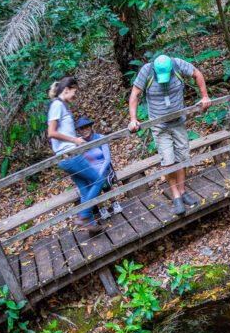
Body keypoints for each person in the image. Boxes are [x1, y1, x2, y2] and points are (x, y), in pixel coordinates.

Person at [128, 54, 212, 215]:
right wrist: (133, 119)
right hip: (159, 125)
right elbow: (135, 95)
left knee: (181, 157)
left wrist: (204, 96)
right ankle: (176, 196)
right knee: (168, 161)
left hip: (178, 121)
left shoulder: (178, 65)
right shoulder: (146, 71)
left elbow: (197, 73)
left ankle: (182, 191)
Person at [46, 77, 105, 235]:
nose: (75, 95)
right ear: (66, 90)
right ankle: (84, 216)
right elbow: (51, 133)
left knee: (85, 188)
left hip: (67, 156)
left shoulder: (62, 106)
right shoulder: (57, 105)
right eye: (74, 91)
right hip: (69, 155)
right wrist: (74, 140)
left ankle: (90, 225)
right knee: (98, 180)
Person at [76, 117, 122, 216]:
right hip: (90, 170)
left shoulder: (100, 138)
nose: (84, 130)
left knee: (103, 181)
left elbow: (107, 159)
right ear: (79, 131)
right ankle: (101, 208)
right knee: (92, 183)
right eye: (81, 129)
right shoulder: (79, 144)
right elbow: (80, 162)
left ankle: (114, 202)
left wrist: (99, 173)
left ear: (91, 127)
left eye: (86, 127)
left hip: (104, 168)